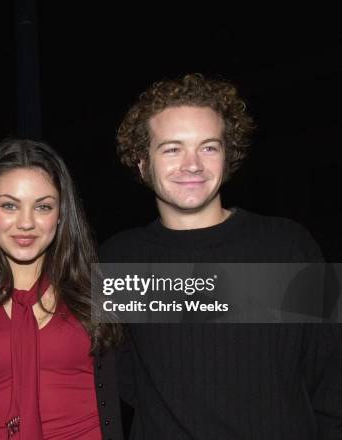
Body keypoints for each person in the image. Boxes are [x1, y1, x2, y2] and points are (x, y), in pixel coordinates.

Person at [100, 73, 342, 439]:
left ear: (227, 155)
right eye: (172, 148)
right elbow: (117, 375)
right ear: (141, 160)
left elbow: (331, 374)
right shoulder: (117, 259)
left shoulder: (289, 245)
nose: (193, 164)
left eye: (209, 147)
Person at [0, 139, 123, 439]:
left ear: (61, 213)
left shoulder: (101, 286)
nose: (26, 223)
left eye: (42, 206)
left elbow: (220, 293)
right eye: (9, 205)